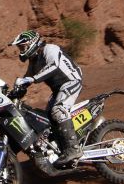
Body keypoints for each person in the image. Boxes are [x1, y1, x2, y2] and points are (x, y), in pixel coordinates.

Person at [9, 30, 84, 165]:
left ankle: (74, 149)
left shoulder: (50, 49)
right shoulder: (34, 61)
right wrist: (14, 92)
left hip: (72, 81)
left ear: (31, 43)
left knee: (58, 110)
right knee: (47, 118)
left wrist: (32, 79)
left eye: (22, 46)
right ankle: (59, 147)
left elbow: (54, 66)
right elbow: (27, 79)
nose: (21, 50)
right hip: (58, 89)